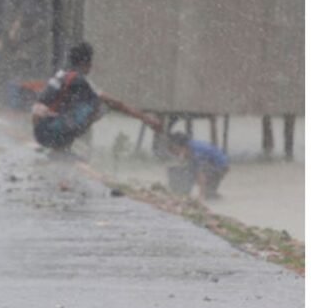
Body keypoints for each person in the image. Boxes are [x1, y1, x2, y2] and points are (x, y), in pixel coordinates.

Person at [32, 42, 162, 154]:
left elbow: (39, 108)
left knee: (83, 103)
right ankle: (62, 147)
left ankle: (59, 147)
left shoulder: (61, 74)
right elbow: (116, 103)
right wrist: (146, 118)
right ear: (86, 63)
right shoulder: (79, 80)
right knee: (100, 105)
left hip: (40, 131)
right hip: (53, 133)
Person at [167, 132, 230, 200]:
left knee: (194, 171)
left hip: (220, 167)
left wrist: (201, 195)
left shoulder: (197, 152)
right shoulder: (190, 146)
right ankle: (210, 194)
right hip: (215, 165)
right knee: (209, 195)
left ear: (182, 147)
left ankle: (203, 194)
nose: (175, 153)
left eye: (176, 150)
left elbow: (200, 174)